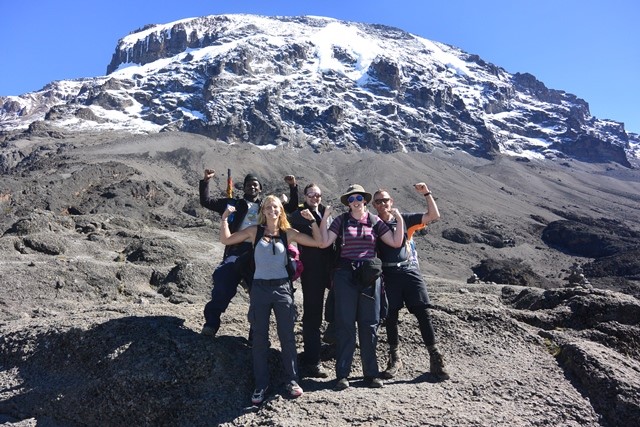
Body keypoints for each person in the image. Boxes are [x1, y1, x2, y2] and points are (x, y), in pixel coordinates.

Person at [220, 196, 322, 405]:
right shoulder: (254, 231)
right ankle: (261, 384)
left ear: (281, 211)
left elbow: (318, 242)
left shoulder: (288, 234)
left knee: (287, 337)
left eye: (275, 207)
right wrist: (224, 219)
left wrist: (313, 222)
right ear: (263, 211)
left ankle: (292, 380)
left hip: (283, 288)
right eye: (268, 207)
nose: (272, 210)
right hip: (260, 289)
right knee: (259, 339)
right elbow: (226, 240)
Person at [318, 184, 405, 391]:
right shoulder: (341, 221)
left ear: (364, 200)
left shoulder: (374, 221)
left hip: (369, 276)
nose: (355, 202)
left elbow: (395, 241)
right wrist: (325, 217)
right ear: (347, 203)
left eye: (358, 198)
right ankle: (342, 375)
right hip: (345, 275)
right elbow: (324, 243)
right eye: (350, 199)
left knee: (369, 325)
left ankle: (371, 374)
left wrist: (399, 219)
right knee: (345, 325)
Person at [199, 169, 299, 337]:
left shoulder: (266, 206)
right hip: (237, 249)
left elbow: (291, 207)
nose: (252, 187)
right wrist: (206, 181)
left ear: (260, 188)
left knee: (259, 292)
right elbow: (206, 201)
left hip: (260, 252)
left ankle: (256, 333)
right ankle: (211, 323)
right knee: (223, 280)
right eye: (248, 185)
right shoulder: (234, 204)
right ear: (244, 188)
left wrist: (293, 187)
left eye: (255, 185)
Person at [371, 184, 450, 380]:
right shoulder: (372, 224)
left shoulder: (405, 219)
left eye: (385, 200)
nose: (383, 204)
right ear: (374, 205)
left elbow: (433, 216)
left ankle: (435, 357)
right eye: (378, 201)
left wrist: (427, 194)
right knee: (390, 316)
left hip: (409, 271)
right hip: (388, 274)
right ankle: (394, 358)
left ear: (392, 201)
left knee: (423, 313)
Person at [289, 184, 334, 378]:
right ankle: (312, 360)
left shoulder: (325, 212)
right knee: (313, 315)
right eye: (311, 195)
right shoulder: (300, 214)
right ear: (305, 197)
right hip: (312, 269)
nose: (315, 197)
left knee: (341, 307)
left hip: (331, 268)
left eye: (318, 195)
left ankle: (332, 344)